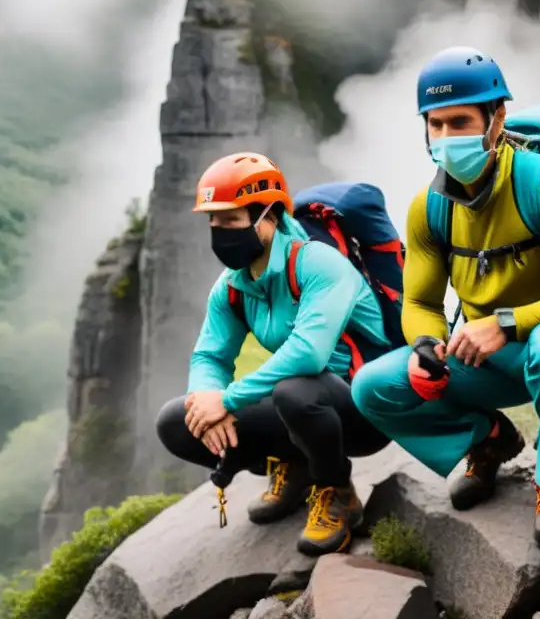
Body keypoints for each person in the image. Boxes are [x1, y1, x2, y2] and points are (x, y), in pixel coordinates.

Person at [351, 46, 540, 553]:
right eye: (437, 125)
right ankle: (487, 441)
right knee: (373, 386)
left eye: (461, 123)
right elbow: (420, 303)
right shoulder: (429, 207)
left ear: (497, 120)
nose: (447, 138)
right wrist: (426, 344)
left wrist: (506, 323)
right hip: (481, 358)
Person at [155, 152, 392, 556]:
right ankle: (297, 465)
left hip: (363, 406)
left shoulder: (319, 264)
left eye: (231, 221)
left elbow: (307, 356)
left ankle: (336, 491)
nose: (220, 233)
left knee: (296, 390)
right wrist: (206, 400)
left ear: (269, 215)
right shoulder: (233, 284)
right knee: (177, 422)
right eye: (213, 222)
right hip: (304, 406)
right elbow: (209, 357)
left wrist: (228, 401)